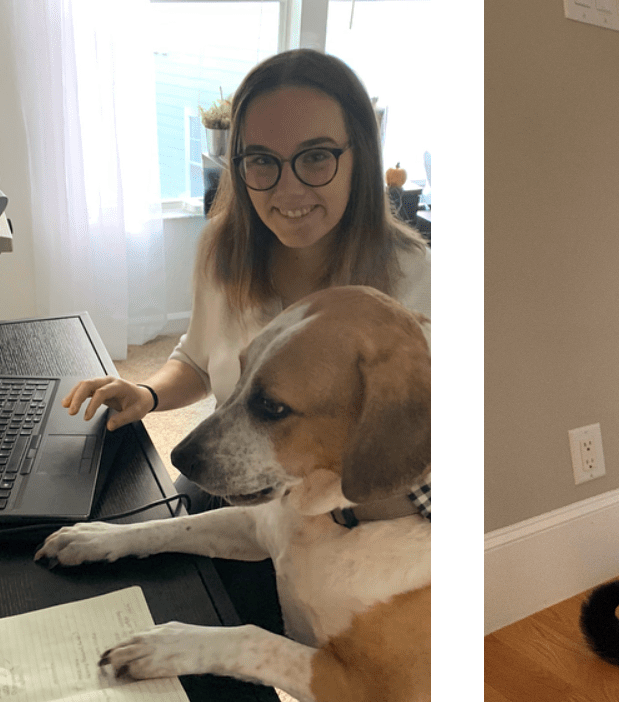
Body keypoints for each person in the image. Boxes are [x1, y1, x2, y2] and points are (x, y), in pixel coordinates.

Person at [62, 49, 429, 510]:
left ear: (361, 155)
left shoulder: (417, 281)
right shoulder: (222, 248)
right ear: (237, 164)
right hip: (233, 481)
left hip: (353, 519)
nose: (288, 189)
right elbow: (198, 361)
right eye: (261, 160)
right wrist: (145, 393)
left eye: (315, 157)